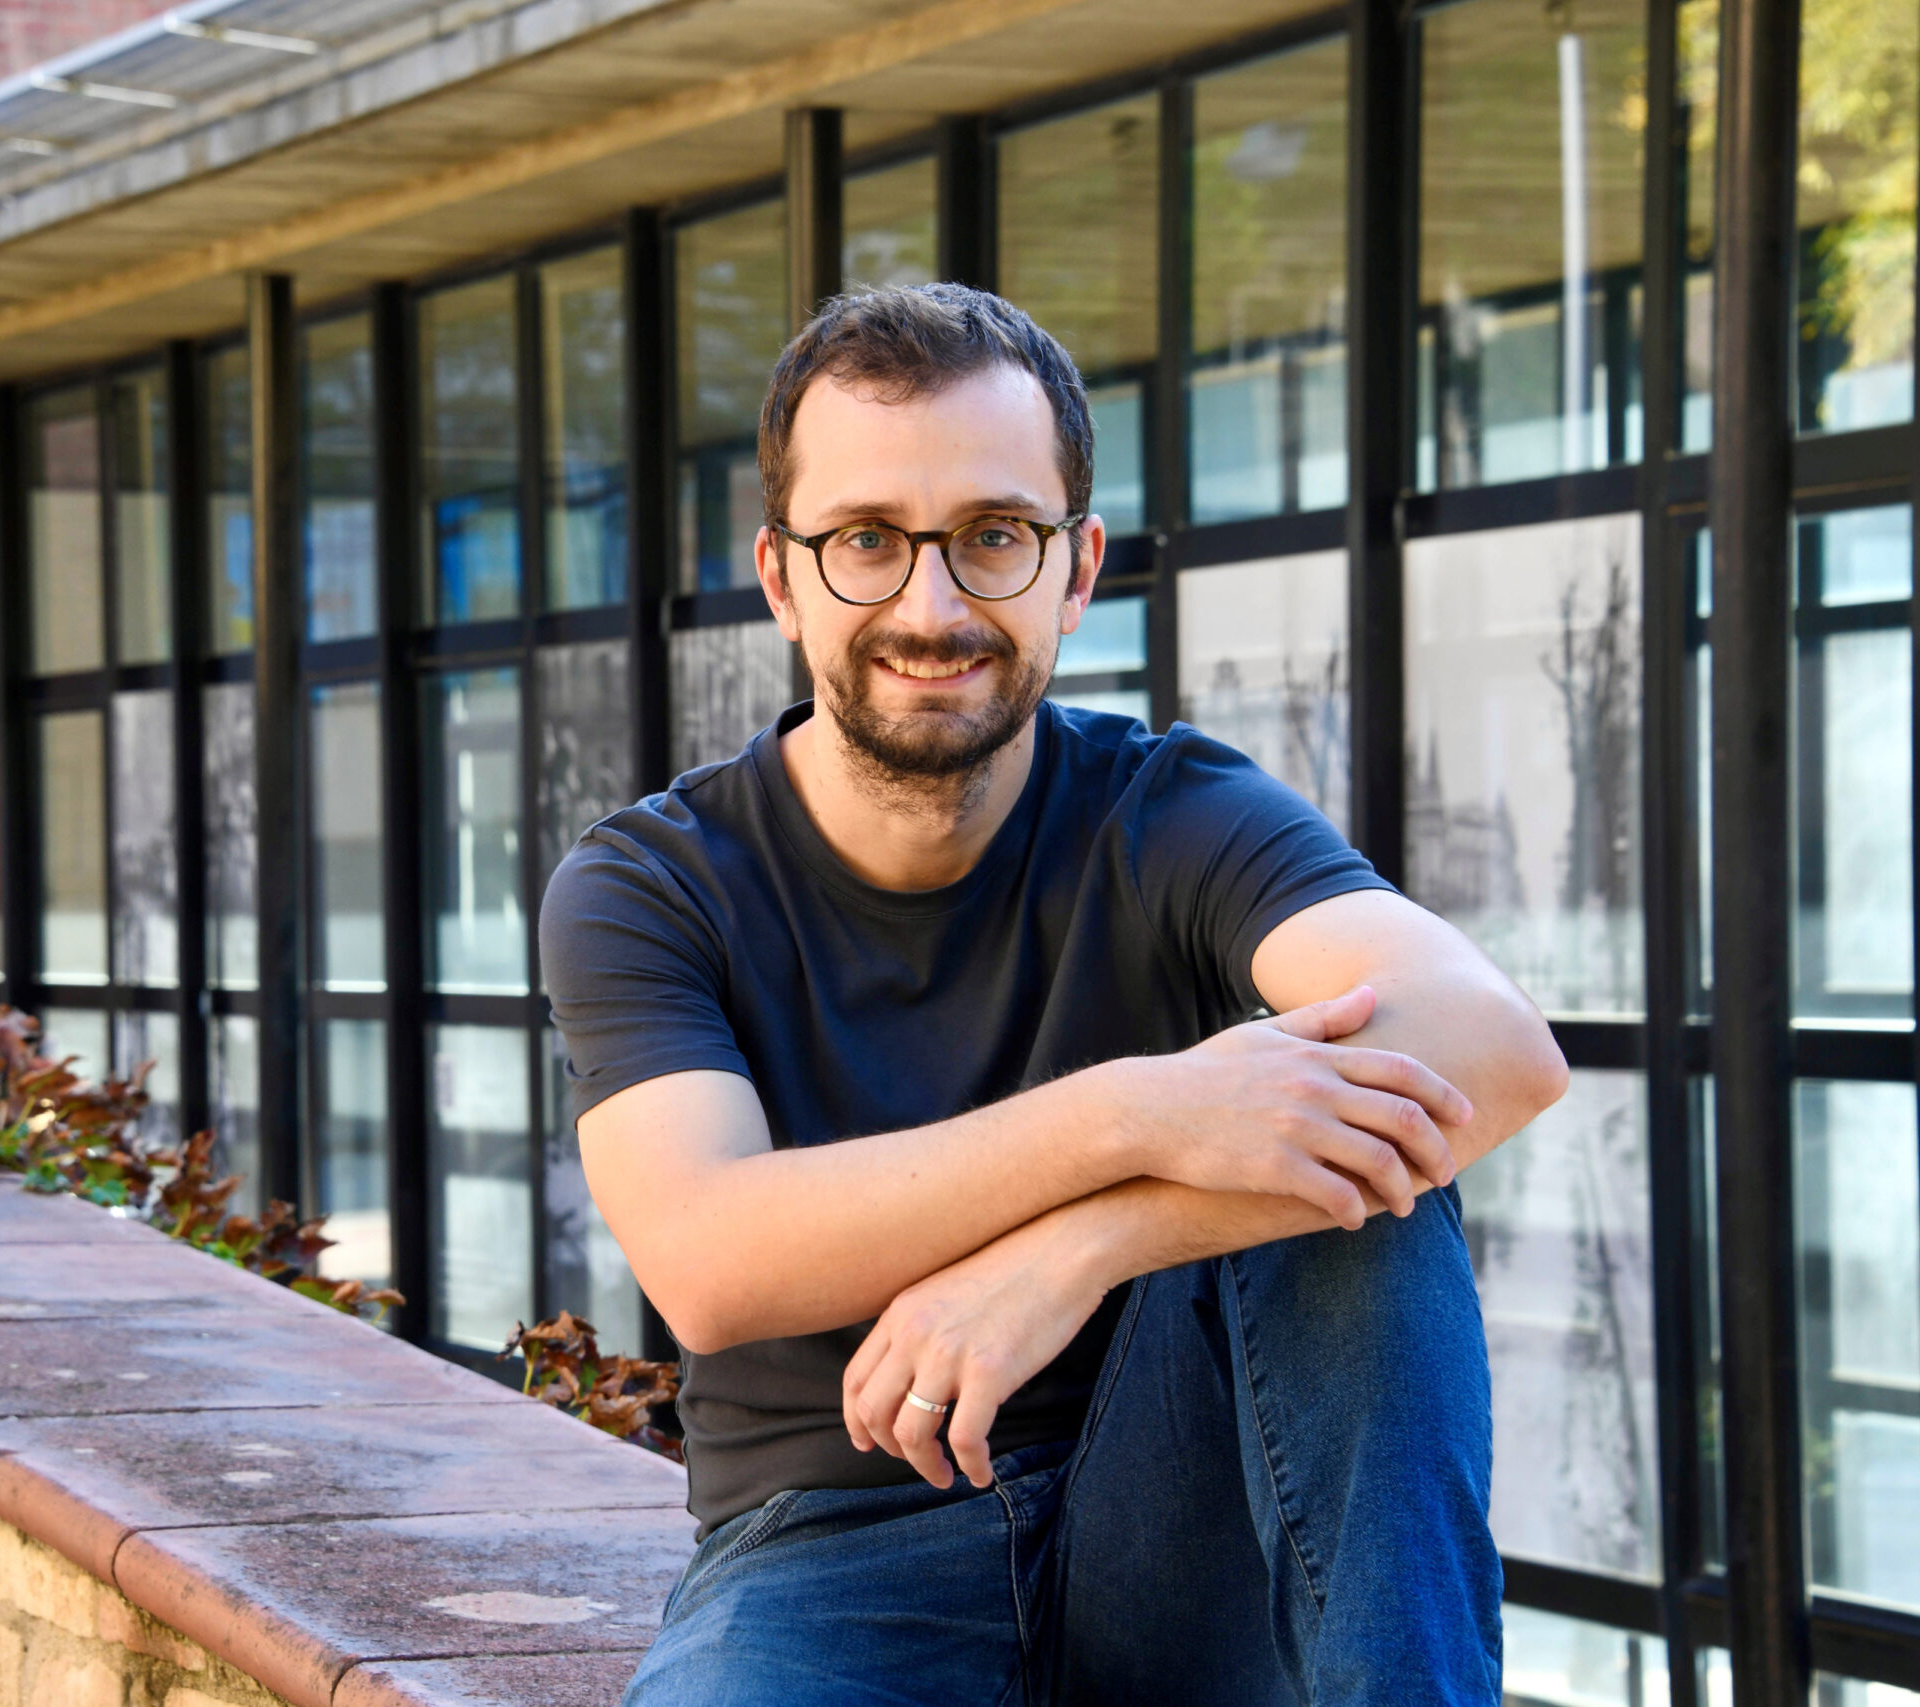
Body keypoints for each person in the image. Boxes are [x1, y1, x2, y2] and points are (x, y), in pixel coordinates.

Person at [539, 283, 1568, 1705]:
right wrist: (1141, 1110)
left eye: (993, 536)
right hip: (833, 1557)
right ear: (782, 578)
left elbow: (1495, 1049)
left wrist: (1080, 1250)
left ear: (1075, 570)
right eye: (867, 541)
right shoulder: (654, 883)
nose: (932, 605)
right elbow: (712, 1262)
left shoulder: (1170, 810)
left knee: (1368, 1164)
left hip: (1180, 1548)